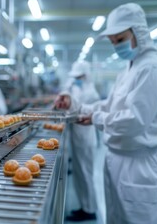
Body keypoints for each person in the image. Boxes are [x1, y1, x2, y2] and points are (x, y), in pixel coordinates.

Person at [55, 3, 157, 224]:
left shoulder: (150, 68)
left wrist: (95, 118)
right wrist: (75, 105)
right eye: (113, 42)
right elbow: (108, 107)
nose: (117, 46)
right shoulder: (130, 68)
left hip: (141, 165)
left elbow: (134, 121)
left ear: (138, 32)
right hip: (121, 160)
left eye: (120, 39)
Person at [64, 61, 100, 221]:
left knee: (85, 173)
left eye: (78, 77)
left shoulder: (90, 93)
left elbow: (77, 110)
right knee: (80, 173)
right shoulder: (79, 89)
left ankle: (89, 209)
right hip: (78, 135)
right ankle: (84, 206)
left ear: (85, 76)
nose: (76, 79)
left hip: (85, 137)